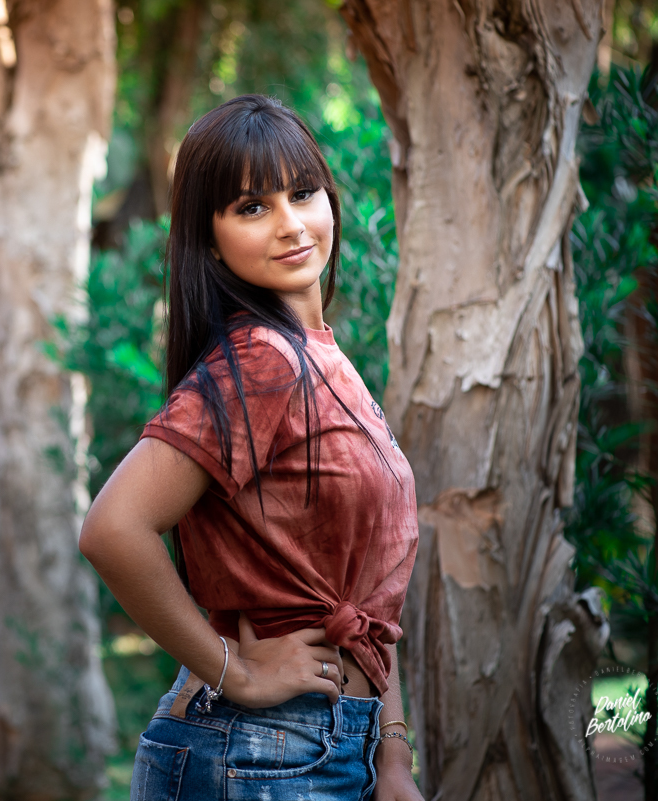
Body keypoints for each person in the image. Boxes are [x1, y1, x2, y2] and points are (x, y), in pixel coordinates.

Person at [79, 94, 423, 801]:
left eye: (302, 193)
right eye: (251, 207)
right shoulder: (263, 362)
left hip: (330, 747)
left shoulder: (324, 360)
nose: (291, 224)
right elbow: (113, 528)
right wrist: (236, 670)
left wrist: (391, 754)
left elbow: (363, 598)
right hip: (258, 755)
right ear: (209, 239)